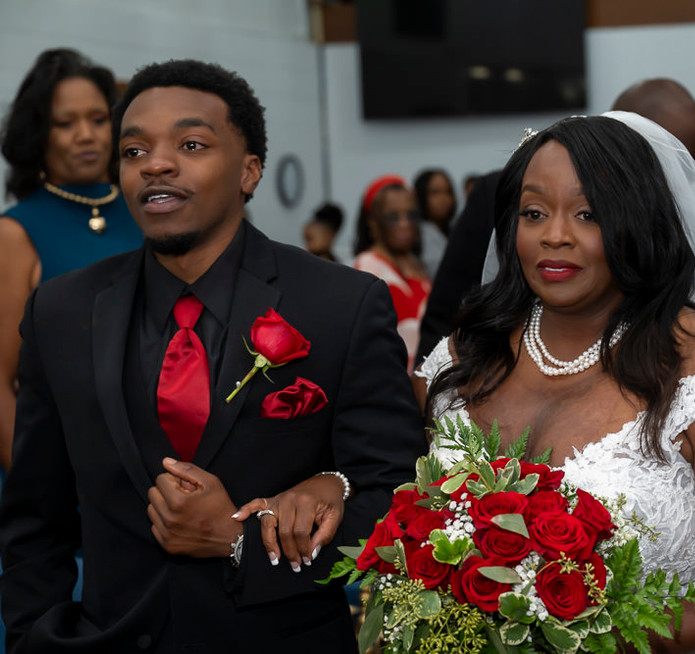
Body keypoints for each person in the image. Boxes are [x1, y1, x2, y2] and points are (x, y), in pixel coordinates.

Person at [0, 59, 425, 653]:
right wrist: (33, 636)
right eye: (134, 151)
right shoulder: (63, 312)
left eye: (191, 144)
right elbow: (34, 518)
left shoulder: (340, 305)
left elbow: (398, 500)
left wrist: (239, 542)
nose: (156, 164)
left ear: (249, 171)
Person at [416, 113, 695, 652]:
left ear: (636, 224)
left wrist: (600, 642)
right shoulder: (463, 360)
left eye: (588, 214)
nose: (555, 235)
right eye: (534, 213)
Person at [415, 77, 695, 368]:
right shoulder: (499, 193)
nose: (673, 180)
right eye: (534, 214)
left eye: (692, 168)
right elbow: (444, 311)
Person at [0, 48, 144, 471]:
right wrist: (32, 485)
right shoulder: (15, 232)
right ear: (38, 133)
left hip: (151, 466)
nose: (86, 135)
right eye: (65, 124)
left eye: (98, 119)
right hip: (56, 470)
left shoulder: (149, 213)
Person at [353, 175, 430, 370]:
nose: (405, 224)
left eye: (411, 215)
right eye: (393, 217)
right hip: (393, 377)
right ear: (373, 222)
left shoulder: (417, 264)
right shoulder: (368, 265)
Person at [412, 168, 457, 277]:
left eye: (448, 192)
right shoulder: (415, 234)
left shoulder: (456, 231)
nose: (443, 199)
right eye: (435, 192)